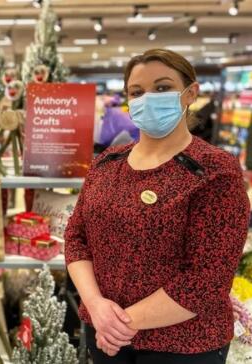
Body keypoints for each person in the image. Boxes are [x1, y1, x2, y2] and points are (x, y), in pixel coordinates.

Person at [65, 48, 249, 364]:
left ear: (190, 93)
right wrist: (95, 305)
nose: (148, 98)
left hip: (184, 345)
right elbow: (76, 239)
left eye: (162, 88)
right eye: (137, 92)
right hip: (106, 336)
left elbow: (206, 278)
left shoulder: (215, 171)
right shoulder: (107, 163)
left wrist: (117, 323)